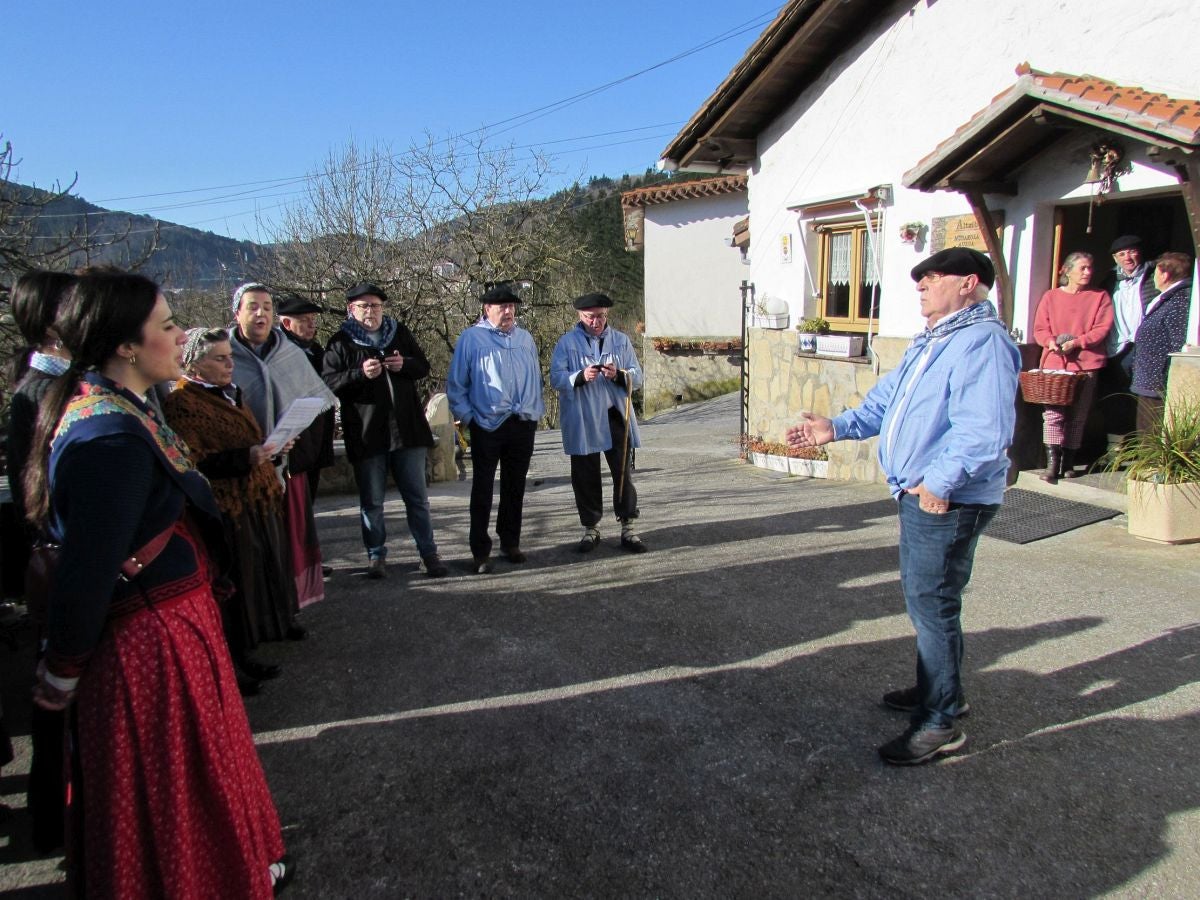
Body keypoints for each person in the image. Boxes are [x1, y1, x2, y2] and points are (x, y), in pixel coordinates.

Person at [23, 267, 292, 897]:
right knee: (177, 784)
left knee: (202, 774)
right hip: (149, 646)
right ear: (123, 345)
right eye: (167, 326)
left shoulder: (122, 407)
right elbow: (90, 571)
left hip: (171, 624)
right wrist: (61, 673)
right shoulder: (104, 440)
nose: (180, 337)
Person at [787, 247, 1020, 766]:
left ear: (969, 284)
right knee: (933, 603)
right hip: (927, 493)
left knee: (931, 604)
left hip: (947, 499)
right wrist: (835, 428)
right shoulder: (934, 342)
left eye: (932, 277)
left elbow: (985, 432)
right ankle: (944, 693)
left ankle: (939, 723)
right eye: (919, 278)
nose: (921, 285)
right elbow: (885, 401)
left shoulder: (982, 343)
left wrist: (938, 483)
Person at [163, 328, 298, 695]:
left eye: (229, 357)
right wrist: (245, 456)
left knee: (263, 564)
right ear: (195, 363)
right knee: (236, 579)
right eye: (220, 358)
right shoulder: (182, 403)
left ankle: (269, 628)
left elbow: (245, 436)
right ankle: (237, 657)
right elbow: (194, 460)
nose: (229, 365)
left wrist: (271, 445)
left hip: (255, 491)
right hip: (225, 499)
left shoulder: (231, 393)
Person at [4, 269, 75, 853]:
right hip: (66, 558)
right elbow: (36, 492)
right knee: (59, 702)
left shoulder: (60, 384)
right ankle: (53, 821)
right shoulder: (35, 393)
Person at [321, 283, 448, 579]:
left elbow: (423, 366)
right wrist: (358, 374)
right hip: (368, 434)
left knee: (417, 498)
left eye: (376, 306)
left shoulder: (398, 332)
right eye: (364, 307)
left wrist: (404, 364)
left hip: (408, 431)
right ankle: (376, 556)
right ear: (351, 310)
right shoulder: (341, 342)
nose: (371, 312)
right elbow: (328, 383)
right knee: (373, 501)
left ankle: (428, 553)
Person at [229, 282, 337, 616]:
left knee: (289, 535)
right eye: (252, 307)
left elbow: (317, 400)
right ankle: (260, 608)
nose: (261, 313)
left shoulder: (288, 353)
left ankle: (289, 603)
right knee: (255, 539)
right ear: (237, 313)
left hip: (290, 462)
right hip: (243, 468)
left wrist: (295, 438)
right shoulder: (225, 355)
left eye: (266, 306)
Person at [447, 284, 544, 573]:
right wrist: (469, 417)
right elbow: (456, 384)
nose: (508, 311)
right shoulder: (472, 339)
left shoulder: (525, 339)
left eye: (512, 306)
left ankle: (510, 542)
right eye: (501, 307)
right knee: (483, 489)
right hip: (487, 424)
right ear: (486, 309)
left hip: (521, 423)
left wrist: (534, 412)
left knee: (515, 487)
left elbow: (535, 377)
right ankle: (480, 551)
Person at [550, 292, 647, 553]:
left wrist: (619, 375)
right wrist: (580, 376)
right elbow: (556, 378)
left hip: (615, 416)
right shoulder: (566, 343)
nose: (597, 322)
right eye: (591, 317)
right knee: (585, 474)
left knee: (622, 473)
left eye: (601, 316)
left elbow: (637, 377)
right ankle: (590, 528)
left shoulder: (621, 340)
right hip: (583, 417)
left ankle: (628, 526)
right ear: (580, 316)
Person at [1031, 251, 1114, 481]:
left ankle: (1068, 461)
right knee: (1053, 415)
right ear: (1067, 271)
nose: (1088, 272)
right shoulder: (1051, 297)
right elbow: (1040, 328)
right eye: (1083, 268)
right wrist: (1050, 342)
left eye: (1090, 268)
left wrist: (1078, 342)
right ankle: (1052, 464)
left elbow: (1101, 328)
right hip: (1056, 364)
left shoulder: (1100, 297)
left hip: (1086, 364)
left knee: (1078, 415)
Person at [278, 294, 336, 577]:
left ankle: (306, 560)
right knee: (293, 507)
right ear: (286, 323)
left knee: (306, 505)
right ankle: (293, 562)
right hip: (294, 441)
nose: (311, 325)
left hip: (315, 439)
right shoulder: (282, 353)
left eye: (313, 320)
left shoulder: (315, 350)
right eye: (304, 320)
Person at [1099, 235, 1158, 444]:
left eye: (1132, 251)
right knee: (1117, 398)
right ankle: (1115, 448)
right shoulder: (1109, 280)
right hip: (1117, 348)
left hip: (1145, 347)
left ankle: (1144, 448)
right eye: (1122, 254)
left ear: (1140, 253)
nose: (1128, 257)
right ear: (1115, 258)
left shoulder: (1154, 276)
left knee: (1145, 398)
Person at [1130, 252, 1194, 432]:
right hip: (1150, 381)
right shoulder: (1167, 298)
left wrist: (1167, 380)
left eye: (1156, 273)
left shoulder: (1180, 300)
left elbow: (1179, 344)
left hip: (1158, 383)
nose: (1153, 278)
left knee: (1150, 436)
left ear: (1165, 274)